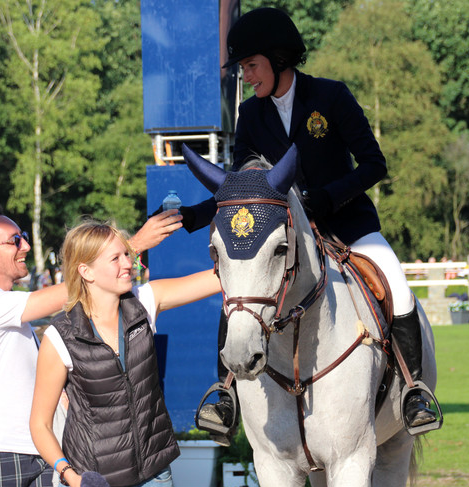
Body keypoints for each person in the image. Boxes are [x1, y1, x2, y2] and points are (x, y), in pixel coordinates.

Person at [183, 7, 438, 441]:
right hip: (283, 233)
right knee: (241, 294)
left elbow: (374, 164)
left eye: (250, 65)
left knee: (395, 282)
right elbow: (243, 187)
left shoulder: (331, 97)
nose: (246, 77)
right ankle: (225, 395)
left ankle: (414, 391)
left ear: (278, 59)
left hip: (346, 224)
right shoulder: (251, 115)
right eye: (242, 68)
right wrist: (193, 217)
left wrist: (325, 197)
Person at [0, 206, 183, 487]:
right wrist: (131, 246)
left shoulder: (11, 306)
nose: (25, 246)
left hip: (43, 451)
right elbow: (80, 289)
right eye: (15, 239)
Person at [29, 221, 221, 487]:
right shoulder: (60, 336)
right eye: (115, 258)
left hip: (152, 484)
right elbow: (39, 424)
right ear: (86, 271)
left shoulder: (145, 303)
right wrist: (71, 476)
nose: (128, 264)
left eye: (126, 255)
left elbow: (219, 278)